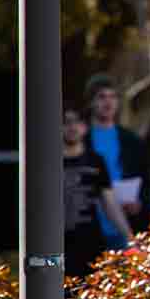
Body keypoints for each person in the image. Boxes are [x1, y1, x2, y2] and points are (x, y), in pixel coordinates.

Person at [62, 108, 131, 277]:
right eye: (66, 122)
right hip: (59, 243)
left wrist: (129, 236)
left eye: (77, 122)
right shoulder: (47, 162)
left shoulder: (96, 160)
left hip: (90, 242)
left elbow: (109, 202)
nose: (72, 127)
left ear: (84, 127)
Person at [83, 74, 148, 249]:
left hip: (125, 224)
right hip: (90, 225)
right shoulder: (83, 140)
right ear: (91, 102)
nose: (108, 102)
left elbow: (144, 179)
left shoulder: (131, 141)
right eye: (102, 97)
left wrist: (139, 202)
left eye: (113, 97)